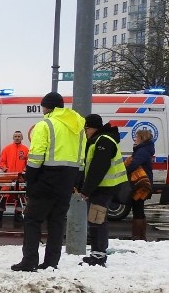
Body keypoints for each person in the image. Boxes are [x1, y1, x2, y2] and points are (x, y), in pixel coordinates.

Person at [11, 92, 85, 271]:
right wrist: (77, 181)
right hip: (68, 179)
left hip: (47, 178)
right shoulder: (78, 127)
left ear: (47, 107)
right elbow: (81, 157)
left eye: (42, 106)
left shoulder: (45, 125)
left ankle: (29, 261)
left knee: (32, 220)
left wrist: (31, 181)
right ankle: (52, 262)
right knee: (57, 221)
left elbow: (35, 157)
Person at [78, 113, 128, 266]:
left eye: (86, 130)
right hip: (102, 188)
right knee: (97, 220)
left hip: (103, 189)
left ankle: (98, 256)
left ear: (91, 128)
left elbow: (98, 169)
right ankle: (97, 253)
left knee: (97, 221)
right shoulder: (102, 139)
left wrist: (86, 190)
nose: (85, 133)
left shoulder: (103, 141)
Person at [125, 128, 155, 241]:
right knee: (139, 207)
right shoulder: (145, 149)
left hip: (140, 184)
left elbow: (134, 164)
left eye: (137, 137)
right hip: (143, 183)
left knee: (137, 207)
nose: (135, 139)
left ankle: (137, 236)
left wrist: (124, 171)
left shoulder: (142, 151)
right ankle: (141, 236)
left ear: (142, 138)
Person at [0, 130, 29, 222]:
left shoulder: (26, 150)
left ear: (22, 138)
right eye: (15, 136)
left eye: (19, 136)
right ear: (13, 138)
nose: (17, 138)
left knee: (19, 195)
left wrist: (24, 171)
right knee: (3, 194)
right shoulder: (7, 149)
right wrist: (6, 169)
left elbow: (28, 163)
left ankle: (18, 215)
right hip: (8, 177)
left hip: (20, 177)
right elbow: (1, 162)